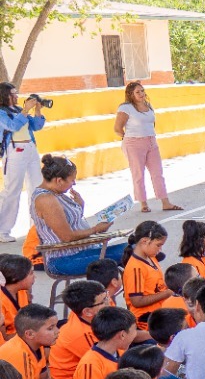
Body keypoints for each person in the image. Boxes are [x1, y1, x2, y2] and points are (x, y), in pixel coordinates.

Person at [30, 156, 125, 275]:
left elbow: (70, 223)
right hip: (64, 259)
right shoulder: (46, 199)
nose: (74, 183)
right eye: (72, 180)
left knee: (134, 248)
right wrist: (95, 230)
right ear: (59, 180)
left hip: (81, 251)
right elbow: (67, 236)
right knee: (134, 251)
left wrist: (80, 206)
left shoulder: (57, 194)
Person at [113, 82, 180, 214]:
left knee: (158, 173)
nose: (141, 94)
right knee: (138, 174)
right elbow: (117, 128)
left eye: (142, 91)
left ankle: (165, 202)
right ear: (130, 94)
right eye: (137, 92)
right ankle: (143, 203)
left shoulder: (148, 106)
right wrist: (128, 138)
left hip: (151, 141)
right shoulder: (126, 108)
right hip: (134, 143)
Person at [0, 82, 46, 243]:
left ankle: (37, 229)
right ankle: (3, 230)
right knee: (12, 191)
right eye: (13, 93)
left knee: (37, 188)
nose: (17, 95)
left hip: (30, 149)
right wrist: (26, 110)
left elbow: (36, 126)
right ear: (5, 95)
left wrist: (38, 110)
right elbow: (12, 126)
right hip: (14, 152)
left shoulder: (20, 111)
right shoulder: (1, 113)